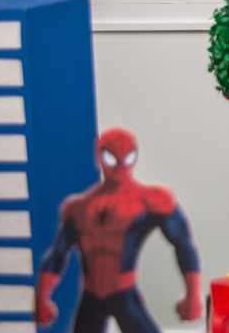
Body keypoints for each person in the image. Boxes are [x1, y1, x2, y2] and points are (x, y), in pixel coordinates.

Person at [35, 128, 202, 333]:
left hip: (123, 293)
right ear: (100, 156)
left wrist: (193, 295)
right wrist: (41, 298)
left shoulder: (149, 201)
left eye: (127, 157)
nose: (120, 166)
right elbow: (58, 253)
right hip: (91, 297)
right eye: (111, 158)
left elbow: (182, 243)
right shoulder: (79, 209)